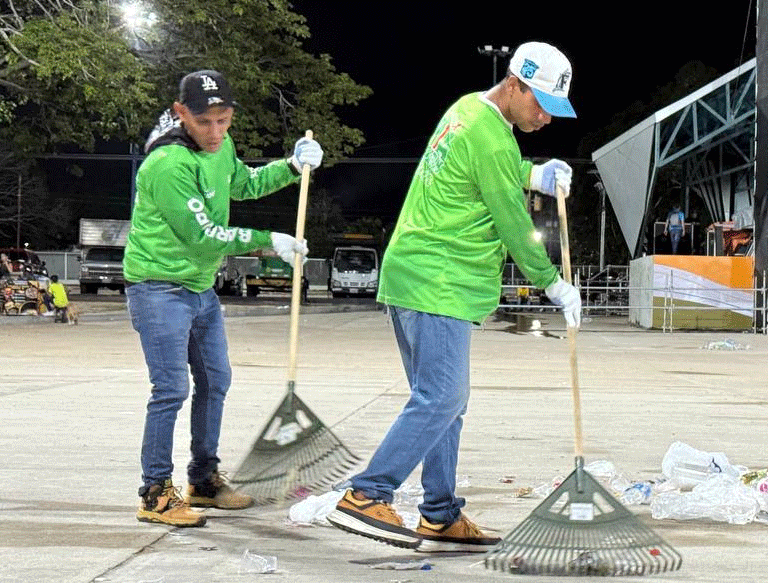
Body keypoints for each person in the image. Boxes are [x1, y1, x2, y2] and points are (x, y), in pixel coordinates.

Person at [326, 41, 582, 553]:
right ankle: (367, 494)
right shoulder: (493, 139)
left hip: (417, 275)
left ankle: (439, 514)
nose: (546, 119)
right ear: (515, 83)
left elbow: (481, 176)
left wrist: (534, 173)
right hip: (436, 280)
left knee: (445, 405)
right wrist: (551, 282)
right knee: (442, 397)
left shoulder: (467, 110)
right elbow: (512, 219)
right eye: (541, 105)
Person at [126, 69, 320, 527]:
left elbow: (244, 184)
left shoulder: (221, 147)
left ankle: (205, 480)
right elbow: (202, 235)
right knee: (171, 389)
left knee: (216, 381)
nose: (216, 132)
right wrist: (266, 240)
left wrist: (291, 167)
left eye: (224, 120)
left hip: (198, 288)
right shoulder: (168, 164)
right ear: (181, 114)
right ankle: (155, 492)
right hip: (158, 288)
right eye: (204, 122)